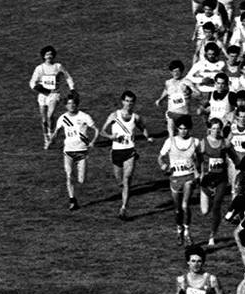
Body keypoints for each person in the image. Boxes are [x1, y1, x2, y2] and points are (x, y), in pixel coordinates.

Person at [98, 89, 152, 219]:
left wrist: (147, 137)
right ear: (122, 102)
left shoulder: (136, 117)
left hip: (130, 151)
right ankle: (123, 190)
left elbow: (142, 127)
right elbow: (101, 131)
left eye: (131, 102)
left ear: (134, 103)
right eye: (127, 101)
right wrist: (111, 137)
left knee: (127, 179)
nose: (128, 104)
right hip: (116, 151)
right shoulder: (114, 115)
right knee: (120, 181)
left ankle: (123, 208)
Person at [50, 92, 97, 210]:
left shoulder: (84, 116)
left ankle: (75, 193)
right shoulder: (62, 118)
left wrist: (93, 141)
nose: (71, 105)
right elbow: (57, 131)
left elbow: (96, 129)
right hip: (68, 151)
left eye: (73, 103)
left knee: (81, 180)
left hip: (82, 152)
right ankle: (72, 200)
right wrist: (52, 139)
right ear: (66, 105)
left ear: (77, 104)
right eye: (69, 103)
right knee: (69, 175)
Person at [159, 117, 201, 244]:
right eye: (180, 128)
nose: (183, 131)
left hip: (189, 177)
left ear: (190, 129)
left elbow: (200, 159)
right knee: (177, 210)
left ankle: (187, 232)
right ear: (177, 128)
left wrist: (197, 168)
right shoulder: (170, 141)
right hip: (175, 178)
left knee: (185, 205)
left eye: (185, 128)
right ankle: (179, 230)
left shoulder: (195, 142)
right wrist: (163, 165)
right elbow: (160, 157)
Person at [28, 45, 75, 148]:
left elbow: (67, 76)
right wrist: (39, 88)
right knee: (44, 119)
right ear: (43, 56)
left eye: (50, 54)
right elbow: (32, 82)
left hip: (54, 94)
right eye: (47, 54)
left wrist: (72, 88)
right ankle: (46, 137)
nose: (49, 56)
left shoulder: (58, 66)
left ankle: (51, 133)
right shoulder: (39, 68)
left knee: (50, 115)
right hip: (43, 95)